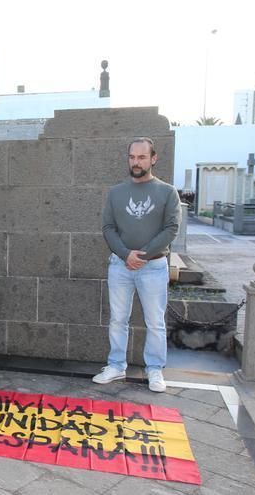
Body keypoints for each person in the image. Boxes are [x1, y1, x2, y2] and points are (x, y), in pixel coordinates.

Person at [94, 137, 180, 393]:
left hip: (153, 267)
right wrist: (124, 254)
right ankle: (116, 365)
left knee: (155, 321)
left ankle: (154, 370)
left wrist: (142, 256)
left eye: (142, 157)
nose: (136, 162)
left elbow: (171, 228)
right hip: (120, 266)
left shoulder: (167, 192)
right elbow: (108, 228)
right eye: (132, 157)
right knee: (118, 319)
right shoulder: (116, 193)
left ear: (153, 158)